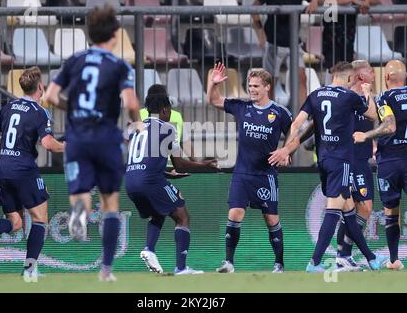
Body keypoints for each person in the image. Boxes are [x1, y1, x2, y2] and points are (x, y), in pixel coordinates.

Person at [43, 4, 141, 281]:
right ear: (114, 35)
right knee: (110, 202)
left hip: (76, 138)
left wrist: (71, 107)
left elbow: (49, 96)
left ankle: (79, 214)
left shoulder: (74, 60)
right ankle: (106, 270)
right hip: (107, 138)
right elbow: (131, 102)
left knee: (81, 194)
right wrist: (137, 122)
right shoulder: (120, 65)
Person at [269, 61, 388, 272]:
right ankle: (314, 262)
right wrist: (368, 94)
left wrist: (287, 148)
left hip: (323, 159)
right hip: (341, 160)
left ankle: (370, 258)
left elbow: (297, 124)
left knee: (349, 210)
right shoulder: (349, 96)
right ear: (350, 78)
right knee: (334, 210)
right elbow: (373, 115)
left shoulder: (316, 95)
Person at [0, 67, 64, 282]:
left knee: (15, 222)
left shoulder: (8, 107)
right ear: (41, 87)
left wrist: (4, 153)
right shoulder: (39, 111)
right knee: (40, 219)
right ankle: (29, 269)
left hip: (4, 167)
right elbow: (48, 144)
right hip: (24, 169)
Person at [207, 63, 293, 274]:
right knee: (234, 214)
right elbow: (214, 100)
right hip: (242, 174)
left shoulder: (279, 112)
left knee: (271, 219)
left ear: (267, 87)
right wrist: (213, 84)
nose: (252, 89)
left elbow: (294, 132)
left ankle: (279, 263)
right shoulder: (242, 107)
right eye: (250, 85)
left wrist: (286, 151)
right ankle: (228, 263)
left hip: (266, 175)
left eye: (256, 86)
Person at [125, 90, 217, 275]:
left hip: (130, 182)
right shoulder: (167, 129)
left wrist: (167, 174)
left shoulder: (136, 129)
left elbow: (141, 162)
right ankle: (181, 267)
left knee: (159, 212)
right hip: (150, 181)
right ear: (165, 110)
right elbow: (180, 163)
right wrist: (203, 164)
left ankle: (149, 249)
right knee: (182, 216)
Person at [353, 60, 405, 270]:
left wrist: (366, 135)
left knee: (391, 213)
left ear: (386, 78)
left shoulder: (384, 98)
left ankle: (393, 260)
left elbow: (388, 125)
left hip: (390, 162)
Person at [335, 60, 376, 270]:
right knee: (361, 207)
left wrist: (374, 142)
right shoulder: (348, 97)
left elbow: (372, 123)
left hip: (363, 159)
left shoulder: (368, 97)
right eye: (370, 70)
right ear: (360, 76)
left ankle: (344, 254)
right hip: (351, 160)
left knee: (362, 209)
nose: (374, 73)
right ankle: (342, 254)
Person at [252, 0, 320, 106]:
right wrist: (260, 31)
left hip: (294, 44)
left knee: (302, 78)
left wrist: (314, 1)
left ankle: (302, 118)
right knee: (270, 83)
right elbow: (254, 8)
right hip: (274, 43)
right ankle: (269, 116)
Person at [322, 0, 380, 84]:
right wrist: (353, 0)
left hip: (348, 40)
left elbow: (376, 0)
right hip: (332, 39)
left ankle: (344, 93)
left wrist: (366, 2)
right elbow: (328, 1)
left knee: (347, 69)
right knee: (333, 69)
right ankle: (329, 91)